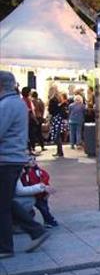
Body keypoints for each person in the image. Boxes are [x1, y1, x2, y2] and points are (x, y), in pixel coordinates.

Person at [0, 71, 50, 258]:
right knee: (4, 201)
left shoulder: (6, 104)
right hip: (12, 159)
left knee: (2, 205)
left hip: (6, 160)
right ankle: (36, 230)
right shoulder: (17, 103)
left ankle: (6, 247)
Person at [19, 155, 58, 227]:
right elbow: (25, 184)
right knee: (40, 208)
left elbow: (45, 177)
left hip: (41, 194)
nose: (33, 161)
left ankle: (49, 220)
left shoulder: (39, 171)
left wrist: (45, 189)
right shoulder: (25, 174)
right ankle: (48, 220)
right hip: (34, 194)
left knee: (44, 208)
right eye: (30, 160)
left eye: (34, 159)